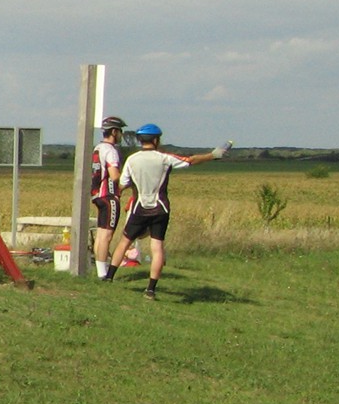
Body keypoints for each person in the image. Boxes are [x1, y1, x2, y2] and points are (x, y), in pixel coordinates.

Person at [105, 124, 232, 298]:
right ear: (156, 140)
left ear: (140, 140)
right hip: (160, 209)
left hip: (139, 208)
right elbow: (190, 160)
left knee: (124, 242)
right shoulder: (164, 158)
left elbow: (122, 183)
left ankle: (109, 277)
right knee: (157, 247)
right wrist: (213, 155)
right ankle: (150, 289)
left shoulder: (132, 160)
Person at [90, 116, 126, 279]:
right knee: (107, 235)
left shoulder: (98, 148)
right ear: (114, 131)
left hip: (97, 194)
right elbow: (114, 176)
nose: (121, 135)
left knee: (100, 234)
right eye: (120, 131)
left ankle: (99, 270)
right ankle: (103, 273)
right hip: (109, 195)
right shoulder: (111, 151)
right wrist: (130, 181)